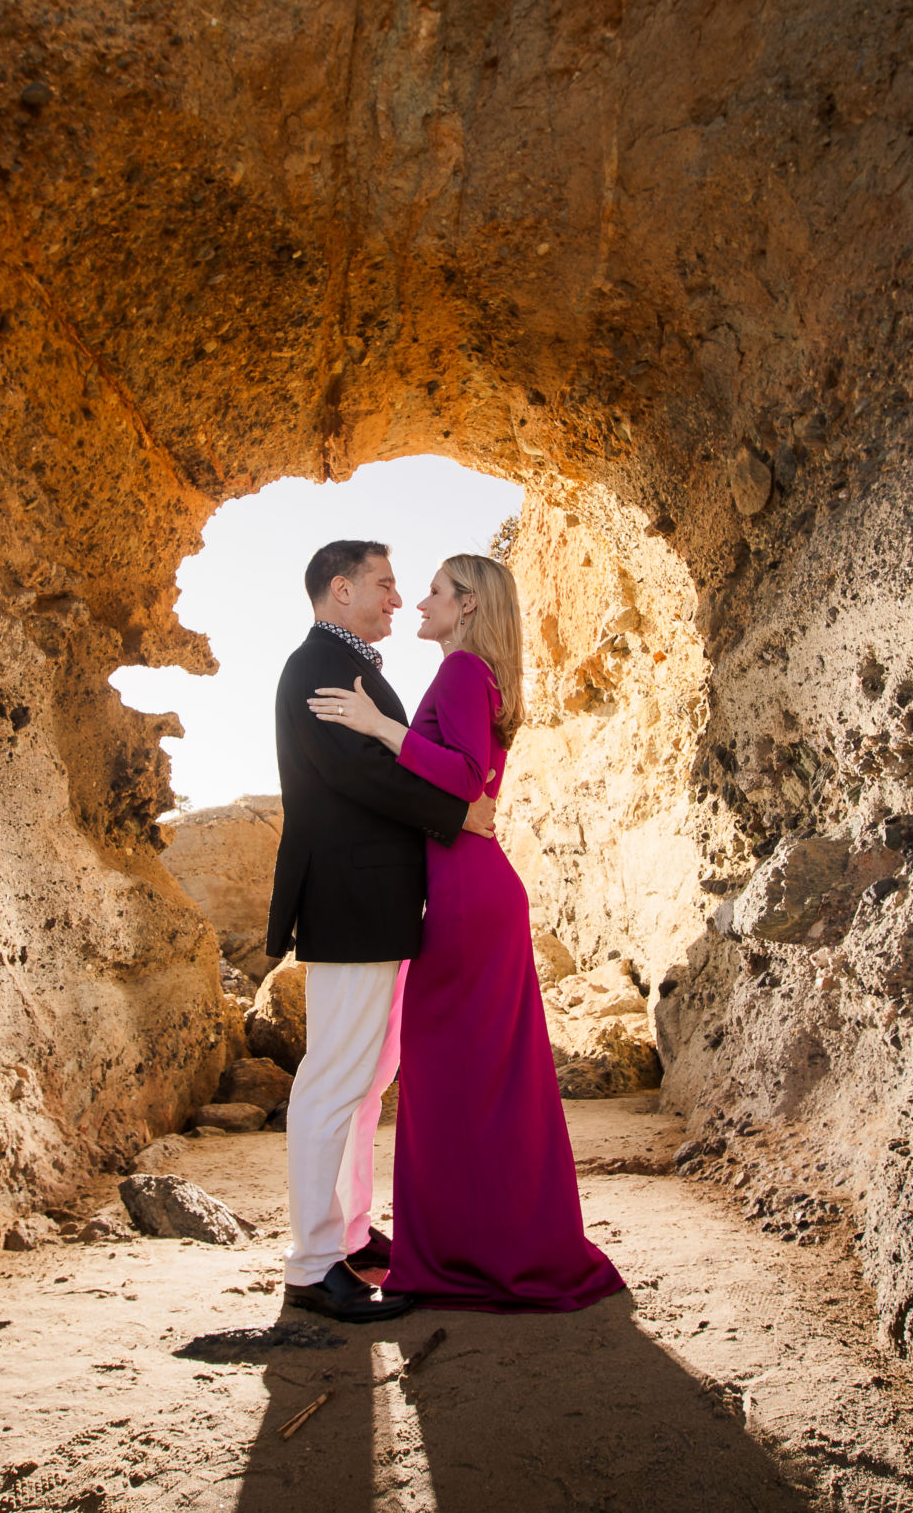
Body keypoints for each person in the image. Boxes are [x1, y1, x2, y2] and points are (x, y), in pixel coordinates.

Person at [307, 554, 624, 1311]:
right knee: (483, 1080)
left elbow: (466, 773)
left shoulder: (459, 674)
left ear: (471, 606)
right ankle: (492, 1241)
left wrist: (380, 726)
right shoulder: (478, 676)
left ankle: (464, 1252)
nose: (419, 599)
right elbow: (468, 783)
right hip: (475, 888)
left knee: (451, 1081)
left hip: (464, 896)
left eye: (438, 590)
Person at [270, 539, 499, 1324]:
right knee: (333, 1082)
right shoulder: (317, 667)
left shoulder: (349, 664)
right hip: (351, 903)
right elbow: (358, 774)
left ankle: (353, 1234)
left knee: (364, 1084)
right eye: (384, 584)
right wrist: (457, 812)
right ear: (340, 589)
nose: (397, 598)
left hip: (378, 905)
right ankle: (310, 1264)